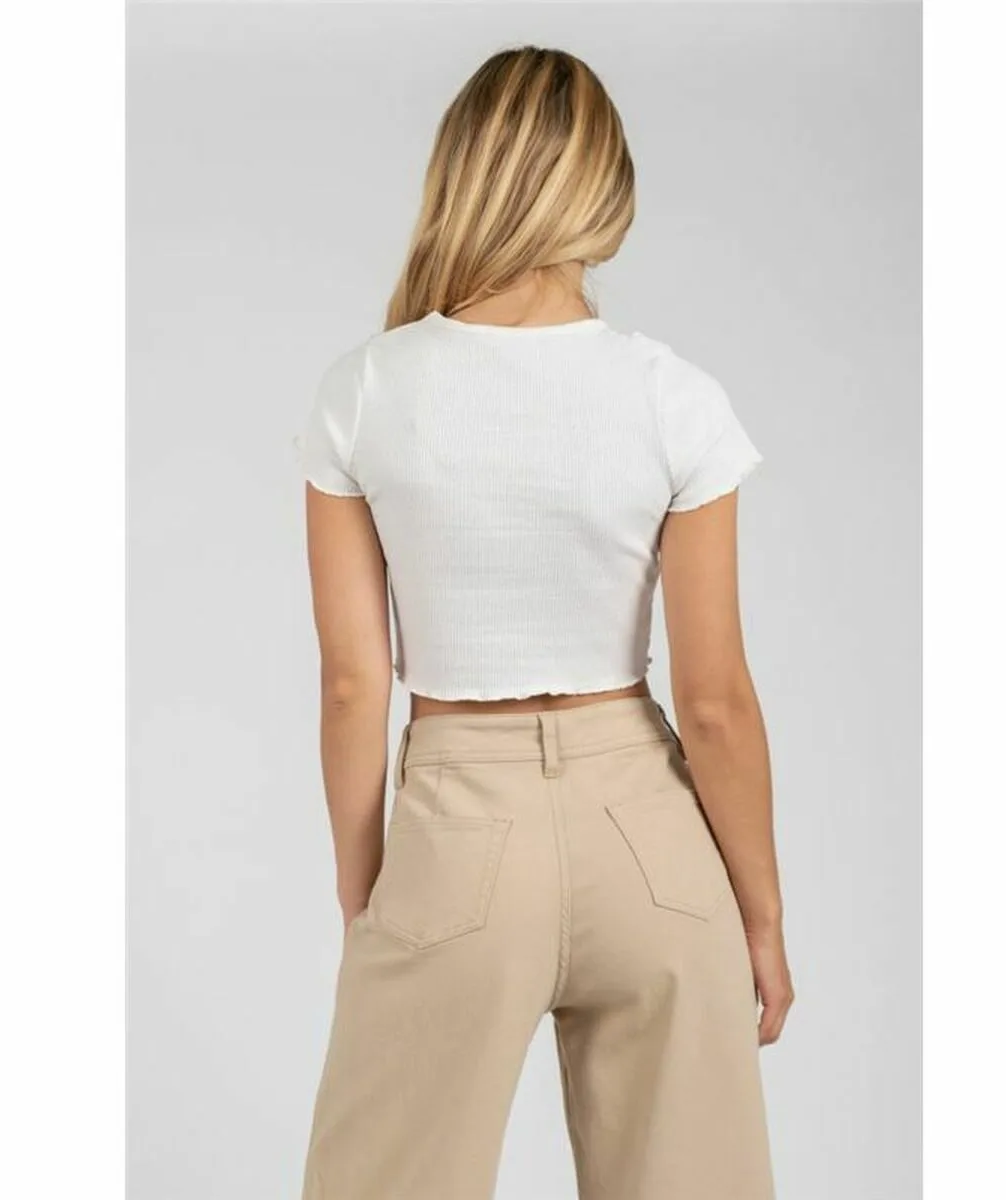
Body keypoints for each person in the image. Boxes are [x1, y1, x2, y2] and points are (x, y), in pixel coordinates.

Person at [293, 44, 792, 1200]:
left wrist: (365, 895)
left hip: (459, 827)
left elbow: (353, 684)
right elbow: (715, 700)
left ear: (461, 176)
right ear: (605, 192)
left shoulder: (367, 389)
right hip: (651, 839)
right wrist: (761, 919)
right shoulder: (671, 395)